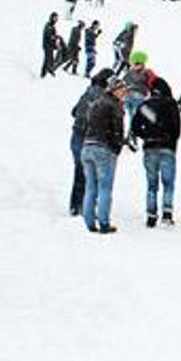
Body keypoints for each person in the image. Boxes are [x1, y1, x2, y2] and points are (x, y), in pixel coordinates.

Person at [131, 78, 181, 227]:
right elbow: (177, 128)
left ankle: (151, 215)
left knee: (152, 184)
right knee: (168, 183)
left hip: (150, 147)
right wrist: (171, 140)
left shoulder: (145, 105)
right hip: (167, 148)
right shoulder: (171, 104)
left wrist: (146, 136)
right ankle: (167, 213)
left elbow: (135, 127)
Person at [81, 76, 128, 233]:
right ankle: (103, 222)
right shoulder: (114, 105)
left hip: (87, 146)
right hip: (103, 148)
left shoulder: (96, 103)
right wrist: (117, 147)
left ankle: (89, 221)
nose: (124, 93)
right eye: (121, 90)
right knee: (105, 187)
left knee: (90, 187)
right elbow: (117, 130)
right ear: (114, 90)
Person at [69, 69, 114, 216]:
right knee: (90, 173)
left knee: (80, 171)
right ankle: (85, 207)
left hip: (76, 135)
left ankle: (75, 205)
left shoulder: (88, 92)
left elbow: (74, 111)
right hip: (87, 137)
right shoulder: (102, 97)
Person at [122, 50, 157, 138]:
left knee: (133, 116)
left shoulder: (129, 73)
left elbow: (123, 84)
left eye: (136, 63)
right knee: (135, 115)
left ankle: (131, 134)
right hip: (135, 96)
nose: (135, 65)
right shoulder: (146, 72)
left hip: (130, 96)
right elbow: (153, 83)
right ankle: (132, 134)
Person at [40, 12, 60, 78]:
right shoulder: (48, 26)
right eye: (55, 18)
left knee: (47, 60)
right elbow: (49, 36)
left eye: (57, 18)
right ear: (51, 18)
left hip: (50, 46)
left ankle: (43, 74)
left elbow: (52, 37)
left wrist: (55, 45)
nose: (56, 20)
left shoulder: (52, 26)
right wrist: (55, 37)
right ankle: (47, 73)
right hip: (47, 46)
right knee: (49, 59)